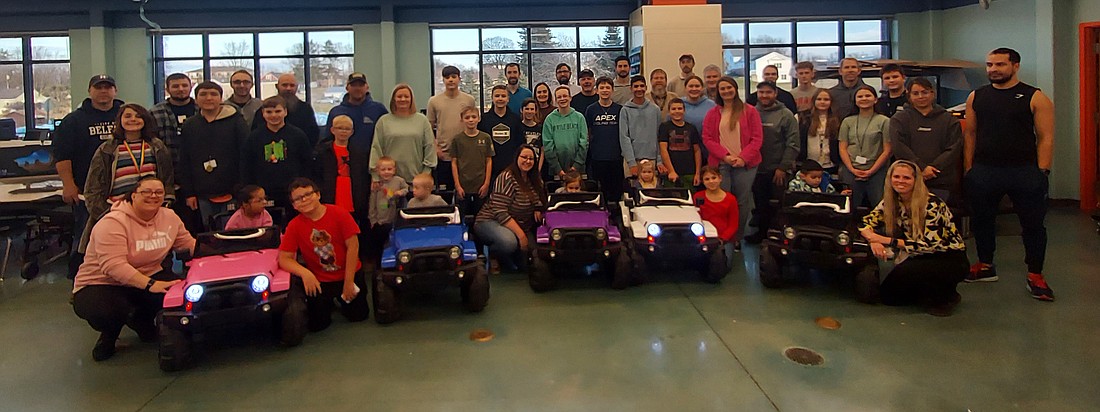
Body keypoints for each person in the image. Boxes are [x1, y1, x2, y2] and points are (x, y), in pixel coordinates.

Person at [962, 47, 1055, 301]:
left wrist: (1042, 171)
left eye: (1000, 65)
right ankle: (985, 265)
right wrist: (969, 168)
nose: (993, 69)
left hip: (1024, 172)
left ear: (1015, 66)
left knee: (1033, 225)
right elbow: (970, 134)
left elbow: (1046, 137)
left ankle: (1035, 274)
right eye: (989, 65)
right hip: (984, 171)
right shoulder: (976, 97)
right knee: (982, 221)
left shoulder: (1035, 97)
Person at [72, 176, 194, 361]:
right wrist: (150, 284)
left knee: (183, 298)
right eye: (146, 192)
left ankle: (142, 323)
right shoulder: (111, 223)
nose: (153, 196)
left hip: (148, 274)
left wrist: (219, 249)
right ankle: (110, 332)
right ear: (133, 196)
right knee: (107, 312)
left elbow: (188, 245)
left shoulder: (169, 217)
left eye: (159, 192)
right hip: (101, 282)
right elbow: (113, 266)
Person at [860, 160, 969, 316]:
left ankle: (946, 294)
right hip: (917, 255)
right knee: (889, 297)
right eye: (896, 177)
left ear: (915, 180)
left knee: (930, 298)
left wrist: (886, 240)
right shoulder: (891, 202)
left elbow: (929, 245)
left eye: (906, 178)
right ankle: (926, 291)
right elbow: (865, 222)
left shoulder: (932, 204)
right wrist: (873, 240)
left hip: (947, 257)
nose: (900, 181)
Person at [81, 103, 175, 255]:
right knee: (119, 253)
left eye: (138, 116)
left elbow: (168, 179)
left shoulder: (157, 146)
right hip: (116, 211)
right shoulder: (107, 149)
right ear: (120, 120)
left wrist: (165, 205)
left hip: (150, 210)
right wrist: (105, 213)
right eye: (128, 116)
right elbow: (92, 187)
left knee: (154, 252)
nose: (133, 119)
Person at [278, 178, 369, 331]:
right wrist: (306, 273)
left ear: (318, 194)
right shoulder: (294, 226)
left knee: (358, 317)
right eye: (298, 198)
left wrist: (348, 282)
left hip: (349, 275)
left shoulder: (340, 214)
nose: (305, 200)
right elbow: (284, 259)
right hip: (320, 281)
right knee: (317, 326)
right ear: (294, 205)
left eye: (308, 194)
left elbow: (353, 247)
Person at [55, 74, 123, 278]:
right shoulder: (73, 121)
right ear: (89, 91)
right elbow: (62, 156)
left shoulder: (126, 116)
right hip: (87, 192)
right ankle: (79, 278)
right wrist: (68, 185)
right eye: (98, 87)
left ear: (115, 91)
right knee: (85, 235)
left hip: (123, 190)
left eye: (108, 87)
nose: (103, 91)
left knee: (122, 235)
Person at [177, 82, 249, 230]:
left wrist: (242, 188)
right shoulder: (190, 125)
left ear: (221, 98)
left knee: (232, 229)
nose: (208, 98)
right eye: (203, 94)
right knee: (208, 231)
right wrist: (189, 193)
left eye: (213, 94)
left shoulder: (236, 121)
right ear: (196, 99)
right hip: (201, 192)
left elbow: (245, 156)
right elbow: (184, 160)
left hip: (232, 190)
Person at [702, 76, 762, 246]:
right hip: (721, 164)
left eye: (729, 88)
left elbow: (757, 139)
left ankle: (736, 237)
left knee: (742, 202)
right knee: (723, 200)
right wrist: (725, 156)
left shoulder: (749, 111)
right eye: (723, 89)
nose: (726, 91)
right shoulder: (713, 113)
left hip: (746, 165)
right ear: (718, 92)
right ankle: (722, 235)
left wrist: (743, 158)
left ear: (735, 89)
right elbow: (707, 138)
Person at [322, 72, 388, 216]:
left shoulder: (378, 109)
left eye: (361, 85)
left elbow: (386, 137)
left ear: (367, 87)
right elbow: (327, 141)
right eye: (354, 85)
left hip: (372, 168)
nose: (357, 88)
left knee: (370, 209)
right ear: (347, 87)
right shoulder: (336, 111)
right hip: (344, 171)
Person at [473, 145, 546, 272]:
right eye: (524, 157)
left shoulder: (535, 178)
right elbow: (500, 212)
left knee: (531, 258)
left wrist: (538, 208)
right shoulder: (506, 177)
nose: (527, 161)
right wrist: (521, 236)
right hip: (490, 220)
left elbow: (539, 200)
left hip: (521, 225)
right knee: (509, 242)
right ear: (517, 158)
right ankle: (493, 255)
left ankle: (510, 259)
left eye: (531, 159)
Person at [890, 78, 963, 203]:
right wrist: (921, 168)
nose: (920, 96)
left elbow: (954, 148)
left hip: (942, 181)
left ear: (932, 93)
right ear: (909, 96)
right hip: (909, 180)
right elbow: (899, 146)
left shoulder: (949, 119)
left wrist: (933, 168)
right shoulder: (899, 119)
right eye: (915, 93)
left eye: (924, 92)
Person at [746, 81, 800, 243]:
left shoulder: (786, 115)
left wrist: (783, 167)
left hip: (778, 170)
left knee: (778, 205)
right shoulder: (751, 112)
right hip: (756, 169)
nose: (764, 95)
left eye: (768, 92)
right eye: (761, 92)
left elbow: (793, 144)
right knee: (761, 205)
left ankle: (779, 237)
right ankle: (762, 235)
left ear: (775, 94)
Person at [243, 96, 313, 214]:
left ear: (285, 112)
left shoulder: (298, 135)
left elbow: (307, 163)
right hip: (264, 192)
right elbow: (247, 164)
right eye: (269, 112)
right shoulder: (254, 137)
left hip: (293, 191)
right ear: (263, 113)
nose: (274, 115)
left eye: (278, 111)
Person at [370, 84, 437, 184]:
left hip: (417, 180)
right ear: (393, 99)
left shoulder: (422, 120)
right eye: (399, 96)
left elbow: (429, 147)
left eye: (406, 96)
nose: (403, 99)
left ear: (411, 99)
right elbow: (376, 148)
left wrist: (426, 173)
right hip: (389, 180)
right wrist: (375, 176)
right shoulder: (383, 121)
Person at [839, 85, 892, 208]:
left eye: (868, 95)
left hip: (877, 171)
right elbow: (842, 147)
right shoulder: (847, 121)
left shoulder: (884, 121)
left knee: (879, 206)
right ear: (855, 101)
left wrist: (871, 171)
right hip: (851, 170)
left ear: (875, 99)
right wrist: (852, 169)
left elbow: (888, 150)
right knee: (849, 206)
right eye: (860, 96)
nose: (864, 98)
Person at [586, 77, 625, 203]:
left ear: (612, 90)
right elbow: (588, 131)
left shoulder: (620, 109)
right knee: (599, 192)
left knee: (616, 192)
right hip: (598, 157)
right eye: (602, 88)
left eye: (608, 87)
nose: (605, 90)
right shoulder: (591, 109)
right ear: (597, 90)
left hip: (616, 157)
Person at [252, 74, 320, 147]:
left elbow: (313, 134)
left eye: (292, 85)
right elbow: (256, 134)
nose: (288, 88)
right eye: (284, 85)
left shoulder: (305, 109)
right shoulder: (266, 108)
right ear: (277, 86)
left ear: (297, 87)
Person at [314, 115, 359, 219]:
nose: (343, 131)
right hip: (331, 191)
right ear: (332, 130)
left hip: (351, 192)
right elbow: (317, 174)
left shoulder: (359, 152)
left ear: (352, 132)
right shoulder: (323, 151)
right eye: (339, 128)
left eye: (347, 129)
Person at [366, 156, 408, 267]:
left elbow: (406, 189)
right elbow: (372, 202)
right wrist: (372, 219)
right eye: (383, 169)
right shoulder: (377, 184)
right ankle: (378, 265)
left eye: (389, 169)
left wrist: (400, 192)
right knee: (379, 245)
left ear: (394, 170)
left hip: (394, 220)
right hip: (379, 221)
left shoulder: (399, 181)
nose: (386, 172)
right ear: (378, 171)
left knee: (393, 243)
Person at [453, 106, 494, 217]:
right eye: (467, 117)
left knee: (481, 216)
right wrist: (458, 185)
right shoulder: (457, 139)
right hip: (463, 185)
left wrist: (486, 184)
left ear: (479, 119)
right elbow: (454, 162)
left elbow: (489, 160)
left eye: (473, 117)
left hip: (480, 185)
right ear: (462, 120)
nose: (471, 120)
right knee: (461, 216)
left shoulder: (486, 137)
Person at [619, 75, 663, 176]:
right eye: (636, 86)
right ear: (631, 89)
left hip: (651, 159)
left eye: (642, 86)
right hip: (632, 160)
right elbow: (624, 137)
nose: (639, 89)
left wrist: (659, 161)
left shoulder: (655, 110)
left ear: (646, 88)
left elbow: (659, 136)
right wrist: (631, 162)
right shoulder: (625, 110)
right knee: (631, 190)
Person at [150, 73, 197, 168]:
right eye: (175, 86)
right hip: (168, 166)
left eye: (184, 85)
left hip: (198, 164)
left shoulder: (202, 110)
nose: (181, 89)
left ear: (191, 87)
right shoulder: (155, 112)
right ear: (167, 89)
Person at [542, 86, 588, 179]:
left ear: (570, 98)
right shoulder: (549, 119)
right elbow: (548, 145)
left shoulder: (579, 118)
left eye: (565, 96)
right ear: (555, 100)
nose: (562, 99)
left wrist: (577, 165)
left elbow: (584, 143)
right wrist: (557, 169)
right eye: (559, 97)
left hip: (578, 169)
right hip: (557, 171)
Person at [478, 85, 522, 180]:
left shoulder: (515, 119)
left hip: (511, 167)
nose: (500, 99)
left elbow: (520, 144)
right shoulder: (484, 119)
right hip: (490, 168)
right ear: (492, 98)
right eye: (497, 96)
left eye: (503, 96)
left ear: (508, 99)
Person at [659, 98, 702, 189]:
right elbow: (663, 149)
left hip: (690, 172)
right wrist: (671, 171)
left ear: (684, 110)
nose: (677, 111)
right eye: (673, 109)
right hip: (672, 174)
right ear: (669, 111)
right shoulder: (664, 127)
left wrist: (697, 173)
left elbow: (697, 151)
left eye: (679, 108)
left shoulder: (691, 128)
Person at [797, 88, 842, 175]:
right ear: (814, 100)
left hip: (830, 164)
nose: (822, 102)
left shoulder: (838, 119)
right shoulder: (803, 117)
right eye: (819, 99)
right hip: (808, 164)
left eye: (826, 99)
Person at [693, 166, 739, 243]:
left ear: (720, 178)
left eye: (714, 178)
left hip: (724, 239)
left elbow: (733, 225)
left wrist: (722, 238)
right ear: (703, 181)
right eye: (707, 179)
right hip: (704, 237)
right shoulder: (698, 196)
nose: (711, 181)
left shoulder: (731, 199)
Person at [519, 98, 547, 180]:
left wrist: (538, 169)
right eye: (527, 109)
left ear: (535, 111)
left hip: (537, 166)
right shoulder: (518, 126)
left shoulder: (540, 128)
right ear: (521, 110)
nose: (529, 111)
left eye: (532, 109)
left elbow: (542, 150)